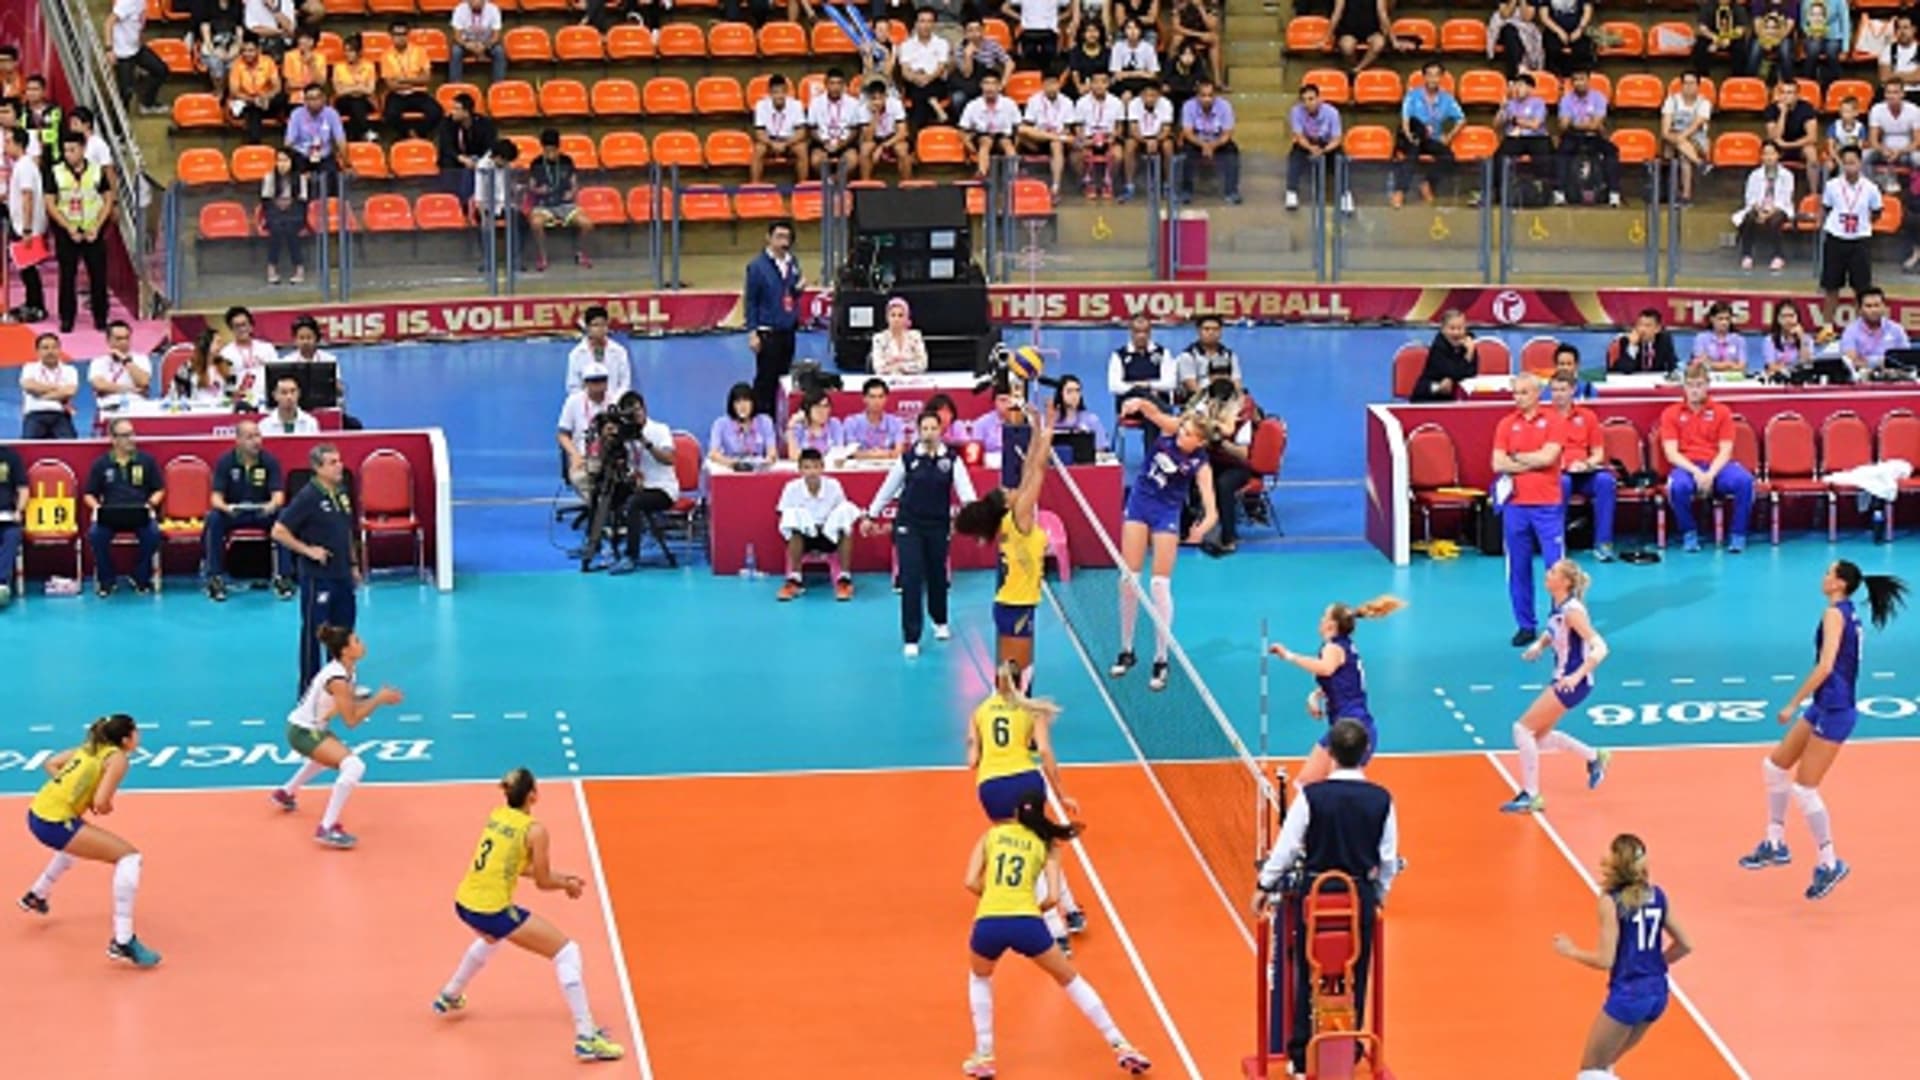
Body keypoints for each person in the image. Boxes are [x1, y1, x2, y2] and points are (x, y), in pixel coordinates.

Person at [432, 769, 627, 1062]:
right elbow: (542, 882)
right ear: (533, 795)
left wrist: (562, 878)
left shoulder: (497, 816)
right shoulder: (535, 831)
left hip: (464, 903)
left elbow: (514, 866)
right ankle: (587, 1037)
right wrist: (566, 885)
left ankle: (450, 994)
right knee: (567, 952)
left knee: (493, 938)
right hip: (491, 909)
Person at [1738, 562, 1907, 899]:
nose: (1824, 577)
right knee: (1774, 766)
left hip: (1836, 710)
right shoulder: (1846, 612)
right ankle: (1775, 842)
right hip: (1824, 704)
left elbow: (1826, 666)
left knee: (1804, 789)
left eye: (1829, 573)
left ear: (1839, 583)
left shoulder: (1834, 615)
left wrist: (1792, 704)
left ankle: (1830, 862)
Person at [962, 790, 1150, 1079]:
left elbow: (970, 882)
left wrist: (995, 899)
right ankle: (1120, 1044)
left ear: (1015, 812)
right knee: (1070, 979)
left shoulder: (992, 836)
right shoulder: (1049, 844)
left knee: (980, 977)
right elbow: (1052, 897)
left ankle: (984, 1055)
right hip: (1028, 922)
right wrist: (1027, 910)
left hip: (990, 921)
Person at [1253, 719, 1398, 1077]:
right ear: (1365, 752)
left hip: (1315, 898)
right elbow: (1388, 859)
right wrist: (1378, 895)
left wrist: (1264, 885)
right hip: (1358, 898)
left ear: (1330, 753)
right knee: (1355, 973)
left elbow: (1286, 848)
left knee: (1308, 972)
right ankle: (1348, 1051)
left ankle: (1302, 1059)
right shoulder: (1382, 799)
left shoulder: (1311, 797)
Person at [17, 713, 160, 968]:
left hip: (38, 812)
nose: (139, 735)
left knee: (76, 845)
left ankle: (37, 895)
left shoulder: (91, 746)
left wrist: (71, 794)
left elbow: (51, 764)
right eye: (136, 732)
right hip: (54, 823)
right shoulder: (117, 760)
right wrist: (101, 804)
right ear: (125, 739)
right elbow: (101, 802)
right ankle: (123, 940)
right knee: (129, 857)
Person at [966, 661, 1087, 949]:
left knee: (1024, 845)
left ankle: (1059, 925)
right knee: (1039, 842)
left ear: (995, 683)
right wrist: (1062, 794)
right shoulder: (1032, 710)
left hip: (992, 787)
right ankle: (1067, 916)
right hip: (1026, 782)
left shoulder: (979, 712)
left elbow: (972, 761)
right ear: (1021, 683)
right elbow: (1044, 751)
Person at [1553, 834, 1693, 1080]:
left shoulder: (1611, 902)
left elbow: (1605, 960)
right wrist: (1653, 964)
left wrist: (1571, 951)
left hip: (1629, 995)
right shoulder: (1657, 896)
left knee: (1590, 1071)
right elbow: (1685, 945)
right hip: (1658, 994)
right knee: (1606, 1065)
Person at [1110, 397, 1215, 691]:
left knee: (1159, 585)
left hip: (1166, 513)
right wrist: (1134, 403)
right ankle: (1127, 650)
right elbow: (1150, 410)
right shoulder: (1172, 429)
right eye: (1183, 429)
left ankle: (1161, 658)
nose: (1182, 434)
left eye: (1188, 434)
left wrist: (1202, 528)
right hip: (1139, 504)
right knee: (1128, 581)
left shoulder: (1201, 465)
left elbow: (1213, 510)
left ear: (1200, 441)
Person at [270, 624, 404, 849]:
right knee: (354, 767)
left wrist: (356, 700)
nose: (362, 644)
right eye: (356, 641)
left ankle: (285, 793)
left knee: (324, 758)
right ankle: (327, 827)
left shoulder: (348, 671)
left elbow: (340, 707)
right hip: (303, 732)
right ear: (345, 650)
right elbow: (351, 721)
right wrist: (378, 700)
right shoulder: (338, 680)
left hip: (312, 727)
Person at [864, 409, 980, 658]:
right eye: (924, 429)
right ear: (918, 431)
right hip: (909, 525)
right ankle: (911, 636)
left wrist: (975, 517)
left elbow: (967, 494)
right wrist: (870, 515)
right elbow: (887, 489)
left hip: (938, 526)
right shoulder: (907, 460)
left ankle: (940, 620)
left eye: (933, 428)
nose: (929, 433)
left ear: (941, 431)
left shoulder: (952, 460)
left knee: (937, 575)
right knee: (911, 578)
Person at [955, 405, 1057, 681]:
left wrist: (1036, 428)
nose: (1012, 490)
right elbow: (1038, 471)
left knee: (1011, 675)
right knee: (1017, 677)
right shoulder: (1019, 518)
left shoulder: (1010, 519)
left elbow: (1028, 468)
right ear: (1005, 504)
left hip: (1012, 603)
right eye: (1007, 491)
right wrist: (1049, 429)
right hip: (1016, 607)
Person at [1501, 559, 1611, 812]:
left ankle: (1531, 795)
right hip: (1563, 679)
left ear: (1565, 582)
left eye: (1552, 572)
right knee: (1537, 739)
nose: (1547, 574)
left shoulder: (1573, 611)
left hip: (1572, 682)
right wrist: (1539, 645)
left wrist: (1576, 676)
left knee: (1522, 730)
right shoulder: (1559, 607)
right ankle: (1594, 757)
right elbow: (1553, 630)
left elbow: (1601, 647)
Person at [1269, 596, 1403, 789]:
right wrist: (1315, 696)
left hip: (1351, 732)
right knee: (1317, 785)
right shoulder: (1345, 646)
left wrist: (1288, 655)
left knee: (1311, 785)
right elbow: (1344, 684)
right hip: (1355, 728)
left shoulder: (1333, 648)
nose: (1320, 620)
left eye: (1324, 616)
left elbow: (1325, 669)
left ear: (1331, 625)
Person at [274, 443, 360, 694]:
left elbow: (346, 531)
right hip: (318, 578)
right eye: (332, 463)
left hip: (342, 574)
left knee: (343, 633)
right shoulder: (308, 497)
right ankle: (309, 688)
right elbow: (279, 531)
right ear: (317, 468)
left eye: (339, 461)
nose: (339, 466)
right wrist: (308, 551)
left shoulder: (341, 493)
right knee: (316, 632)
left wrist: (353, 564)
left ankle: (341, 683)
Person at [1493, 372, 1566, 646]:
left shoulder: (1554, 421)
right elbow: (1497, 463)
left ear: (1537, 394)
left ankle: (1559, 623)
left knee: (1557, 569)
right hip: (1515, 506)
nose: (1518, 398)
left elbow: (1549, 457)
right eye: (1515, 393)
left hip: (1547, 505)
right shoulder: (1505, 424)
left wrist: (1516, 458)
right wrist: (1530, 461)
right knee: (1518, 568)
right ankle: (1525, 625)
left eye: (1523, 392)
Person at [1659, 361, 1754, 552]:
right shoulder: (1670, 414)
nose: (1694, 390)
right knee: (1678, 487)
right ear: (1684, 386)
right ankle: (1689, 533)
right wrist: (1696, 472)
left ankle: (1738, 535)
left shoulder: (1722, 412)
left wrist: (1710, 474)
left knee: (1745, 481)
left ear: (1708, 385)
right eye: (1690, 385)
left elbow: (1725, 450)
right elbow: (1671, 453)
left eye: (1699, 385)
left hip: (1717, 466)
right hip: (1687, 467)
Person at [205, 419, 293, 601]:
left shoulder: (269, 461)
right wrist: (226, 508)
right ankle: (215, 578)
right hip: (235, 513)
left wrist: (271, 506)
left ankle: (284, 577)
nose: (256, 441)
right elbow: (215, 498)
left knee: (284, 517)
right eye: (250, 437)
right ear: (238, 440)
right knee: (214, 519)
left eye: (258, 436)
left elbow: (278, 496)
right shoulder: (225, 461)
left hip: (262, 513)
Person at [85, 419, 164, 597]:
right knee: (96, 535)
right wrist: (97, 508)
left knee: (153, 534)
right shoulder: (101, 464)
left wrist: (150, 505)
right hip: (110, 515)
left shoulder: (146, 461)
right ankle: (107, 580)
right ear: (113, 439)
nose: (131, 439)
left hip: (140, 513)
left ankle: (140, 577)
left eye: (132, 434)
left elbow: (159, 489)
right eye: (125, 435)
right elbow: (89, 494)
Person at [46, 134, 116, 335]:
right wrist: (68, 227)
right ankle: (67, 318)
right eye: (65, 150)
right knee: (67, 277)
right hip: (68, 232)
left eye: (73, 150)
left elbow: (107, 199)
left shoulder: (96, 171)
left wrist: (97, 226)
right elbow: (50, 203)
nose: (68, 154)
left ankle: (101, 318)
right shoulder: (55, 172)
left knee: (98, 276)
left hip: (93, 231)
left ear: (83, 149)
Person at [608, 393, 680, 575]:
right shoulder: (625, 436)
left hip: (663, 489)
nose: (637, 414)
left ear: (644, 408)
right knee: (610, 494)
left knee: (635, 503)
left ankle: (631, 556)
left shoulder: (660, 429)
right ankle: (608, 547)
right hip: (639, 487)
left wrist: (645, 442)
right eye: (631, 412)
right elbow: (627, 464)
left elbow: (669, 459)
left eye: (638, 409)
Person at [775, 447, 859, 601]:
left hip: (829, 537)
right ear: (800, 469)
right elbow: (782, 514)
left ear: (822, 468)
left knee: (845, 523)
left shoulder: (834, 485)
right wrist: (806, 524)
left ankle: (844, 579)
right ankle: (795, 580)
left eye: (815, 467)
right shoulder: (791, 488)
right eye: (807, 467)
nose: (812, 472)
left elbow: (842, 513)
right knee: (793, 522)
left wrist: (825, 526)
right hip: (803, 538)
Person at [1549, 371, 1614, 560]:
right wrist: (1559, 464)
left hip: (1584, 472)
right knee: (1563, 483)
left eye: (1562, 390)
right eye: (1554, 390)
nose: (1558, 395)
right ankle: (1557, 542)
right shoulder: (1544, 418)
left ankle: (1603, 543)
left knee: (1606, 481)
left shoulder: (1588, 417)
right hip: (1557, 472)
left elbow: (1598, 454)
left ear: (1573, 390)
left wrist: (1586, 464)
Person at [745, 220, 805, 418]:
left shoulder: (792, 263)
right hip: (767, 331)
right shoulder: (757, 266)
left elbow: (790, 294)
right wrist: (752, 332)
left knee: (784, 377)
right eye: (779, 237)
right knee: (766, 380)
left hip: (788, 330)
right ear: (768, 238)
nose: (783, 242)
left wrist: (797, 290)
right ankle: (760, 420)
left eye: (787, 237)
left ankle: (779, 418)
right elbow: (751, 300)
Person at [1819, 144, 1880, 320]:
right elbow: (1826, 207)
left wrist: (1863, 223)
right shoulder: (1832, 185)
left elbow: (1877, 211)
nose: (1849, 167)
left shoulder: (1870, 188)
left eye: (1852, 163)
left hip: (1860, 240)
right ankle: (1827, 325)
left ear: (1860, 163)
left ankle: (1862, 326)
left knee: (1861, 288)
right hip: (1836, 238)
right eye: (1845, 163)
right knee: (1831, 286)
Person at [1394, 61, 1462, 207]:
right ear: (1424, 77)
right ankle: (1400, 191)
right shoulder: (1412, 96)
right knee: (1412, 150)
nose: (1433, 79)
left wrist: (1449, 136)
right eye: (1429, 75)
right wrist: (1409, 135)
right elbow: (1405, 119)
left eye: (1436, 75)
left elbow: (1461, 119)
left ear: (1441, 77)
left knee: (1448, 156)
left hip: (1431, 139)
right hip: (1411, 136)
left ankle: (1427, 183)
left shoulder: (1447, 99)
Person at [526, 129, 593, 271]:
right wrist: (539, 190)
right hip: (544, 205)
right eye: (547, 151)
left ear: (558, 148)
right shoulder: (536, 163)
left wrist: (571, 193)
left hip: (565, 204)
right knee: (536, 223)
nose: (550, 154)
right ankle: (542, 256)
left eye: (553, 150)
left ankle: (580, 253)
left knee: (587, 224)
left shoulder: (567, 161)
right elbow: (531, 187)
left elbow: (574, 184)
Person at [1555, 68, 1620, 208]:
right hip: (1573, 136)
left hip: (1594, 136)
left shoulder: (1599, 98)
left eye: (1582, 79)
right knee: (1562, 152)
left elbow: (1596, 125)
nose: (1579, 83)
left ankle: (1614, 193)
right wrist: (1587, 123)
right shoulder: (1566, 100)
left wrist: (1574, 123)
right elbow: (1563, 126)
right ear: (1572, 83)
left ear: (1588, 81)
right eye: (1575, 80)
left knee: (1611, 151)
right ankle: (1559, 192)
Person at [4, 127, 46, 324]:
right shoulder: (22, 165)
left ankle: (37, 306)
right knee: (25, 268)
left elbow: (28, 196)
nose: (5, 146)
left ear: (19, 144)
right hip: (22, 224)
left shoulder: (25, 167)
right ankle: (31, 302)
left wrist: (27, 229)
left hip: (27, 226)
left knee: (29, 269)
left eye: (8, 142)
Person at [1287, 81, 1347, 213]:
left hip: (1327, 143)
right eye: (1304, 100)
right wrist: (1310, 148)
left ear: (1319, 99)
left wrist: (1324, 150)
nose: (1308, 103)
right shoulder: (1296, 111)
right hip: (1307, 142)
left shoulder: (1332, 112)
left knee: (1339, 157)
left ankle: (1345, 195)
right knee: (1295, 155)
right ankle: (1292, 192)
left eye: (1311, 99)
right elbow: (1299, 136)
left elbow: (1337, 139)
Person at [1179, 77, 1241, 203]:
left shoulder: (1225, 106)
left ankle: (1231, 192)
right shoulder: (1188, 106)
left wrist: (1212, 145)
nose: (1207, 99)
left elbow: (1227, 133)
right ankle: (1186, 191)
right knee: (1186, 153)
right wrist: (1203, 145)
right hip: (1196, 140)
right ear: (1197, 96)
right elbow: (1188, 132)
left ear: (1215, 95)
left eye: (1210, 95)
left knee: (1232, 152)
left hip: (1218, 140)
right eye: (1203, 95)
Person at [1019, 69, 1080, 197]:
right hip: (1038, 139)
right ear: (1042, 85)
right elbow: (1028, 125)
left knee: (1055, 144)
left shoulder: (1067, 102)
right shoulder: (1034, 100)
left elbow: (1067, 128)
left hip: (1059, 140)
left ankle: (1055, 187)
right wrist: (1047, 134)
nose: (1051, 87)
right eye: (1048, 84)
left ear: (1059, 85)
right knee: (1021, 130)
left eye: (1054, 83)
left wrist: (1058, 135)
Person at [1738, 140, 1793, 273]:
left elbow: (1785, 199)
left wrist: (1769, 213)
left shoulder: (1787, 175)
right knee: (1749, 218)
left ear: (1778, 155)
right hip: (1759, 207)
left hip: (1779, 209)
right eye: (1765, 154)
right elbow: (1750, 197)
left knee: (1775, 220)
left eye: (1772, 154)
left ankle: (1778, 256)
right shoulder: (1754, 175)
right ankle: (1747, 255)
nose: (1768, 157)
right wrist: (1759, 210)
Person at [380, 21, 442, 140]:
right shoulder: (386, 55)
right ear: (391, 36)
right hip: (397, 95)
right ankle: (407, 134)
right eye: (397, 34)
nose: (400, 38)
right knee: (390, 115)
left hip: (418, 93)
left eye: (403, 34)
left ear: (408, 35)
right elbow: (391, 85)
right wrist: (415, 81)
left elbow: (427, 78)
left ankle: (419, 133)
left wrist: (403, 80)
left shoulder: (420, 51)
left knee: (436, 112)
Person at [259, 146, 311, 286]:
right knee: (276, 229)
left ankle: (299, 267)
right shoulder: (269, 177)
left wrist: (289, 204)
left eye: (285, 160)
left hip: (294, 212)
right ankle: (272, 267)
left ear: (292, 162)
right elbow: (266, 200)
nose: (282, 164)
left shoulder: (300, 178)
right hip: (275, 212)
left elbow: (303, 200)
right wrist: (278, 205)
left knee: (290, 229)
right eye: (279, 160)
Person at [108, 0, 170, 115]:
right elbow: (108, 23)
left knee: (161, 70)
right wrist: (109, 49)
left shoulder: (142, 2)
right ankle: (116, 122)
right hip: (123, 53)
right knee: (125, 92)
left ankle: (147, 104)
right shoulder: (126, 2)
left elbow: (138, 24)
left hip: (137, 49)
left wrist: (139, 40)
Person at [1660, 71, 1711, 205]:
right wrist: (1677, 138)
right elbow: (1665, 130)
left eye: (1692, 83)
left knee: (1684, 155)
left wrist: (1680, 138)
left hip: (1696, 139)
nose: (1688, 86)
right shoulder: (1671, 101)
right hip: (1672, 138)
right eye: (1685, 83)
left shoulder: (1704, 103)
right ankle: (1700, 165)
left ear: (1698, 86)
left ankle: (1686, 196)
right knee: (1683, 151)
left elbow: (1696, 125)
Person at [564, 304, 633, 401]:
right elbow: (573, 386)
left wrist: (613, 401)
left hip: (614, 403)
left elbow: (625, 383)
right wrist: (588, 403)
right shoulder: (576, 354)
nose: (600, 329)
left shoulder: (619, 352)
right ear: (587, 328)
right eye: (596, 325)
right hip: (586, 404)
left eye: (603, 325)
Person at [1124, 80, 1175, 204]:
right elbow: (1133, 129)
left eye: (1153, 95)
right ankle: (1129, 185)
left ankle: (1168, 185)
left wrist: (1156, 140)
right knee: (1129, 145)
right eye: (1146, 95)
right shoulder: (1134, 104)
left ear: (1159, 95)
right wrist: (1146, 141)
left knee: (1168, 146)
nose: (1150, 99)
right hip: (1140, 137)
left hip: (1159, 136)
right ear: (1141, 95)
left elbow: (1166, 129)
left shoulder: (1166, 104)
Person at [1410, 309, 1479, 402]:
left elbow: (1472, 373)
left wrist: (1470, 351)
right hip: (1428, 397)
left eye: (1460, 328)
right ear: (1443, 330)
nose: (1456, 333)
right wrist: (1469, 354)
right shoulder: (1438, 348)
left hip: (1456, 398)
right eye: (1452, 328)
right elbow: (1456, 373)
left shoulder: (1469, 345)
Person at [19, 333, 78, 440]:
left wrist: (40, 395)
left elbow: (69, 392)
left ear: (59, 350)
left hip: (60, 414)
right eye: (45, 348)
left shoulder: (69, 370)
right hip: (35, 414)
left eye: (54, 347)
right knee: (29, 444)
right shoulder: (29, 368)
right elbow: (28, 386)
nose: (50, 351)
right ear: (38, 351)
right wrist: (57, 388)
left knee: (69, 444)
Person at [1839, 285, 1910, 374]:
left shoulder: (1896, 329)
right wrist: (1883, 362)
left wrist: (1866, 361)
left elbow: (1906, 360)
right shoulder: (1850, 332)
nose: (1873, 310)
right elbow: (1851, 362)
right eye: (1868, 306)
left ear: (1883, 307)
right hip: (1862, 379)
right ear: (1860, 309)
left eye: (1877, 305)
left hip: (1895, 377)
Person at [751, 74, 809, 184]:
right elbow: (759, 133)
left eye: (782, 92)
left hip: (790, 141)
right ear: (770, 93)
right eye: (776, 92)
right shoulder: (761, 105)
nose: (779, 96)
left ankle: (802, 186)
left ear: (786, 92)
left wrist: (786, 143)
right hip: (769, 141)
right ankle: (755, 185)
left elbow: (801, 132)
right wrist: (772, 144)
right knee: (758, 149)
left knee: (802, 148)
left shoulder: (796, 105)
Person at [707, 381, 779, 468]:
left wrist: (768, 460)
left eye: (746, 400)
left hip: (758, 468)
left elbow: (772, 451)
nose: (742, 406)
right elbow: (713, 454)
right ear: (732, 405)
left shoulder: (765, 422)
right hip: (730, 468)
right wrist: (733, 464)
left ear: (753, 402)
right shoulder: (720, 424)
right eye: (738, 402)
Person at [220, 304, 277, 407]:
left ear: (251, 326)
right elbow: (224, 384)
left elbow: (277, 376)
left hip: (266, 400)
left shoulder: (267, 348)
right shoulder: (225, 353)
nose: (241, 329)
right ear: (231, 329)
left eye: (244, 324)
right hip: (238, 402)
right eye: (237, 326)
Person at [858, 78, 913, 182]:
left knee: (902, 150)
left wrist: (882, 147)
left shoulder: (896, 104)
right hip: (875, 138)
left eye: (880, 98)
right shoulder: (863, 108)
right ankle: (865, 184)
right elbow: (868, 137)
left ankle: (907, 184)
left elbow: (903, 133)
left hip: (893, 136)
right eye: (874, 99)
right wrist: (875, 115)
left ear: (885, 96)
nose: (877, 102)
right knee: (865, 149)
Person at [843, 377, 908, 458]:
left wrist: (867, 454)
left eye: (880, 396)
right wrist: (880, 454)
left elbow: (899, 451)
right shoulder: (852, 422)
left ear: (886, 398)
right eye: (872, 397)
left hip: (889, 465)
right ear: (864, 398)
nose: (877, 401)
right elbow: (850, 452)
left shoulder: (895, 422)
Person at [448, 0, 506, 84]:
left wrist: (485, 45)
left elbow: (496, 37)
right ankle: (455, 85)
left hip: (486, 41)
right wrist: (467, 45)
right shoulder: (460, 9)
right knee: (456, 51)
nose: (476, 5)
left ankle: (498, 85)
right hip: (466, 41)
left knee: (499, 51)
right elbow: (457, 36)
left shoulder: (493, 10)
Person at [869, 296, 929, 375]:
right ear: (887, 318)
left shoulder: (915, 337)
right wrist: (905, 362)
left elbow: (923, 364)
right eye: (893, 315)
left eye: (900, 315)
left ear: (906, 317)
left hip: (912, 380)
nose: (896, 319)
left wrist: (900, 366)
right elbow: (878, 367)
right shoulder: (879, 339)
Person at [1608, 308, 1679, 373]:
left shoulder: (1664, 340)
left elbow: (1673, 365)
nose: (1642, 329)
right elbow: (1625, 369)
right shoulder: (1625, 340)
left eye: (1647, 325)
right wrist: (1632, 346)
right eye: (1640, 324)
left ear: (1657, 328)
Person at [1329, 0, 1392, 72]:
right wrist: (1327, 37)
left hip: (1371, 30)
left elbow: (1382, 15)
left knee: (1379, 43)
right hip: (1348, 30)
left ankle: (1357, 69)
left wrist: (1393, 40)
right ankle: (1354, 67)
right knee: (1347, 47)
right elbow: (1337, 13)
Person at [1051, 375, 1110, 450]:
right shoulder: (1051, 419)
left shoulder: (1092, 420)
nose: (1074, 395)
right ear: (1060, 393)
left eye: (1077, 391)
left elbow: (1101, 448)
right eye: (1069, 391)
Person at [786, 390, 846, 460]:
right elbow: (793, 456)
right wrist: (791, 426)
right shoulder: (799, 427)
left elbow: (839, 452)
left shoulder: (834, 424)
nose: (822, 411)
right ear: (807, 409)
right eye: (817, 407)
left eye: (826, 406)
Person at [1761, 300, 1816, 377]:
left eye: (1791, 316)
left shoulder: (1807, 339)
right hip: (1778, 379)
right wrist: (1792, 369)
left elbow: (1807, 364)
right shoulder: (1769, 340)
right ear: (1777, 319)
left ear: (1798, 317)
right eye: (1784, 316)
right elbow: (1771, 366)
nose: (1788, 320)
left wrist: (1802, 338)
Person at [1690, 300, 1749, 372]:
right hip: (1707, 377)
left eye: (1727, 319)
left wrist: (1712, 364)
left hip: (1732, 377)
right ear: (1712, 319)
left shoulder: (1739, 340)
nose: (1724, 322)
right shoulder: (1701, 338)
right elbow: (1702, 363)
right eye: (1720, 319)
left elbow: (1742, 366)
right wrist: (1729, 365)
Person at [0, 442, 24, 606]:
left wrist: (19, 510)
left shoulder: (11, 457)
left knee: (12, 535)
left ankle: (1, 584)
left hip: (7, 516)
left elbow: (23, 489)